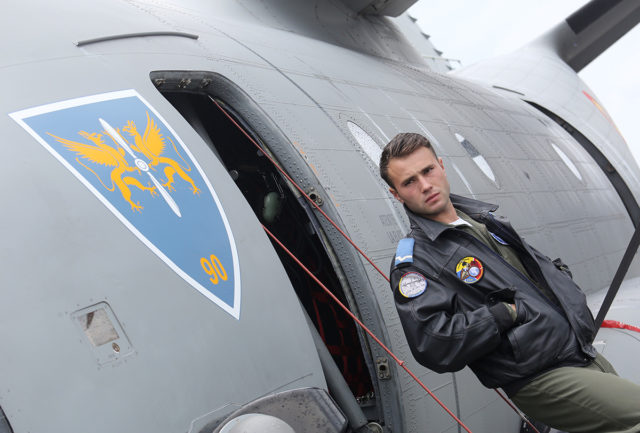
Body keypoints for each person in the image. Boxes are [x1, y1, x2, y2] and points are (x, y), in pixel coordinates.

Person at [380, 132, 640, 433]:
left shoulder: (484, 220)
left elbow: (535, 272)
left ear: (441, 165)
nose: (425, 185)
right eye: (409, 182)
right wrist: (503, 315)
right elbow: (433, 343)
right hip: (540, 376)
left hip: (577, 352)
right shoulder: (416, 262)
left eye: (428, 171)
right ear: (396, 194)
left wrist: (562, 282)